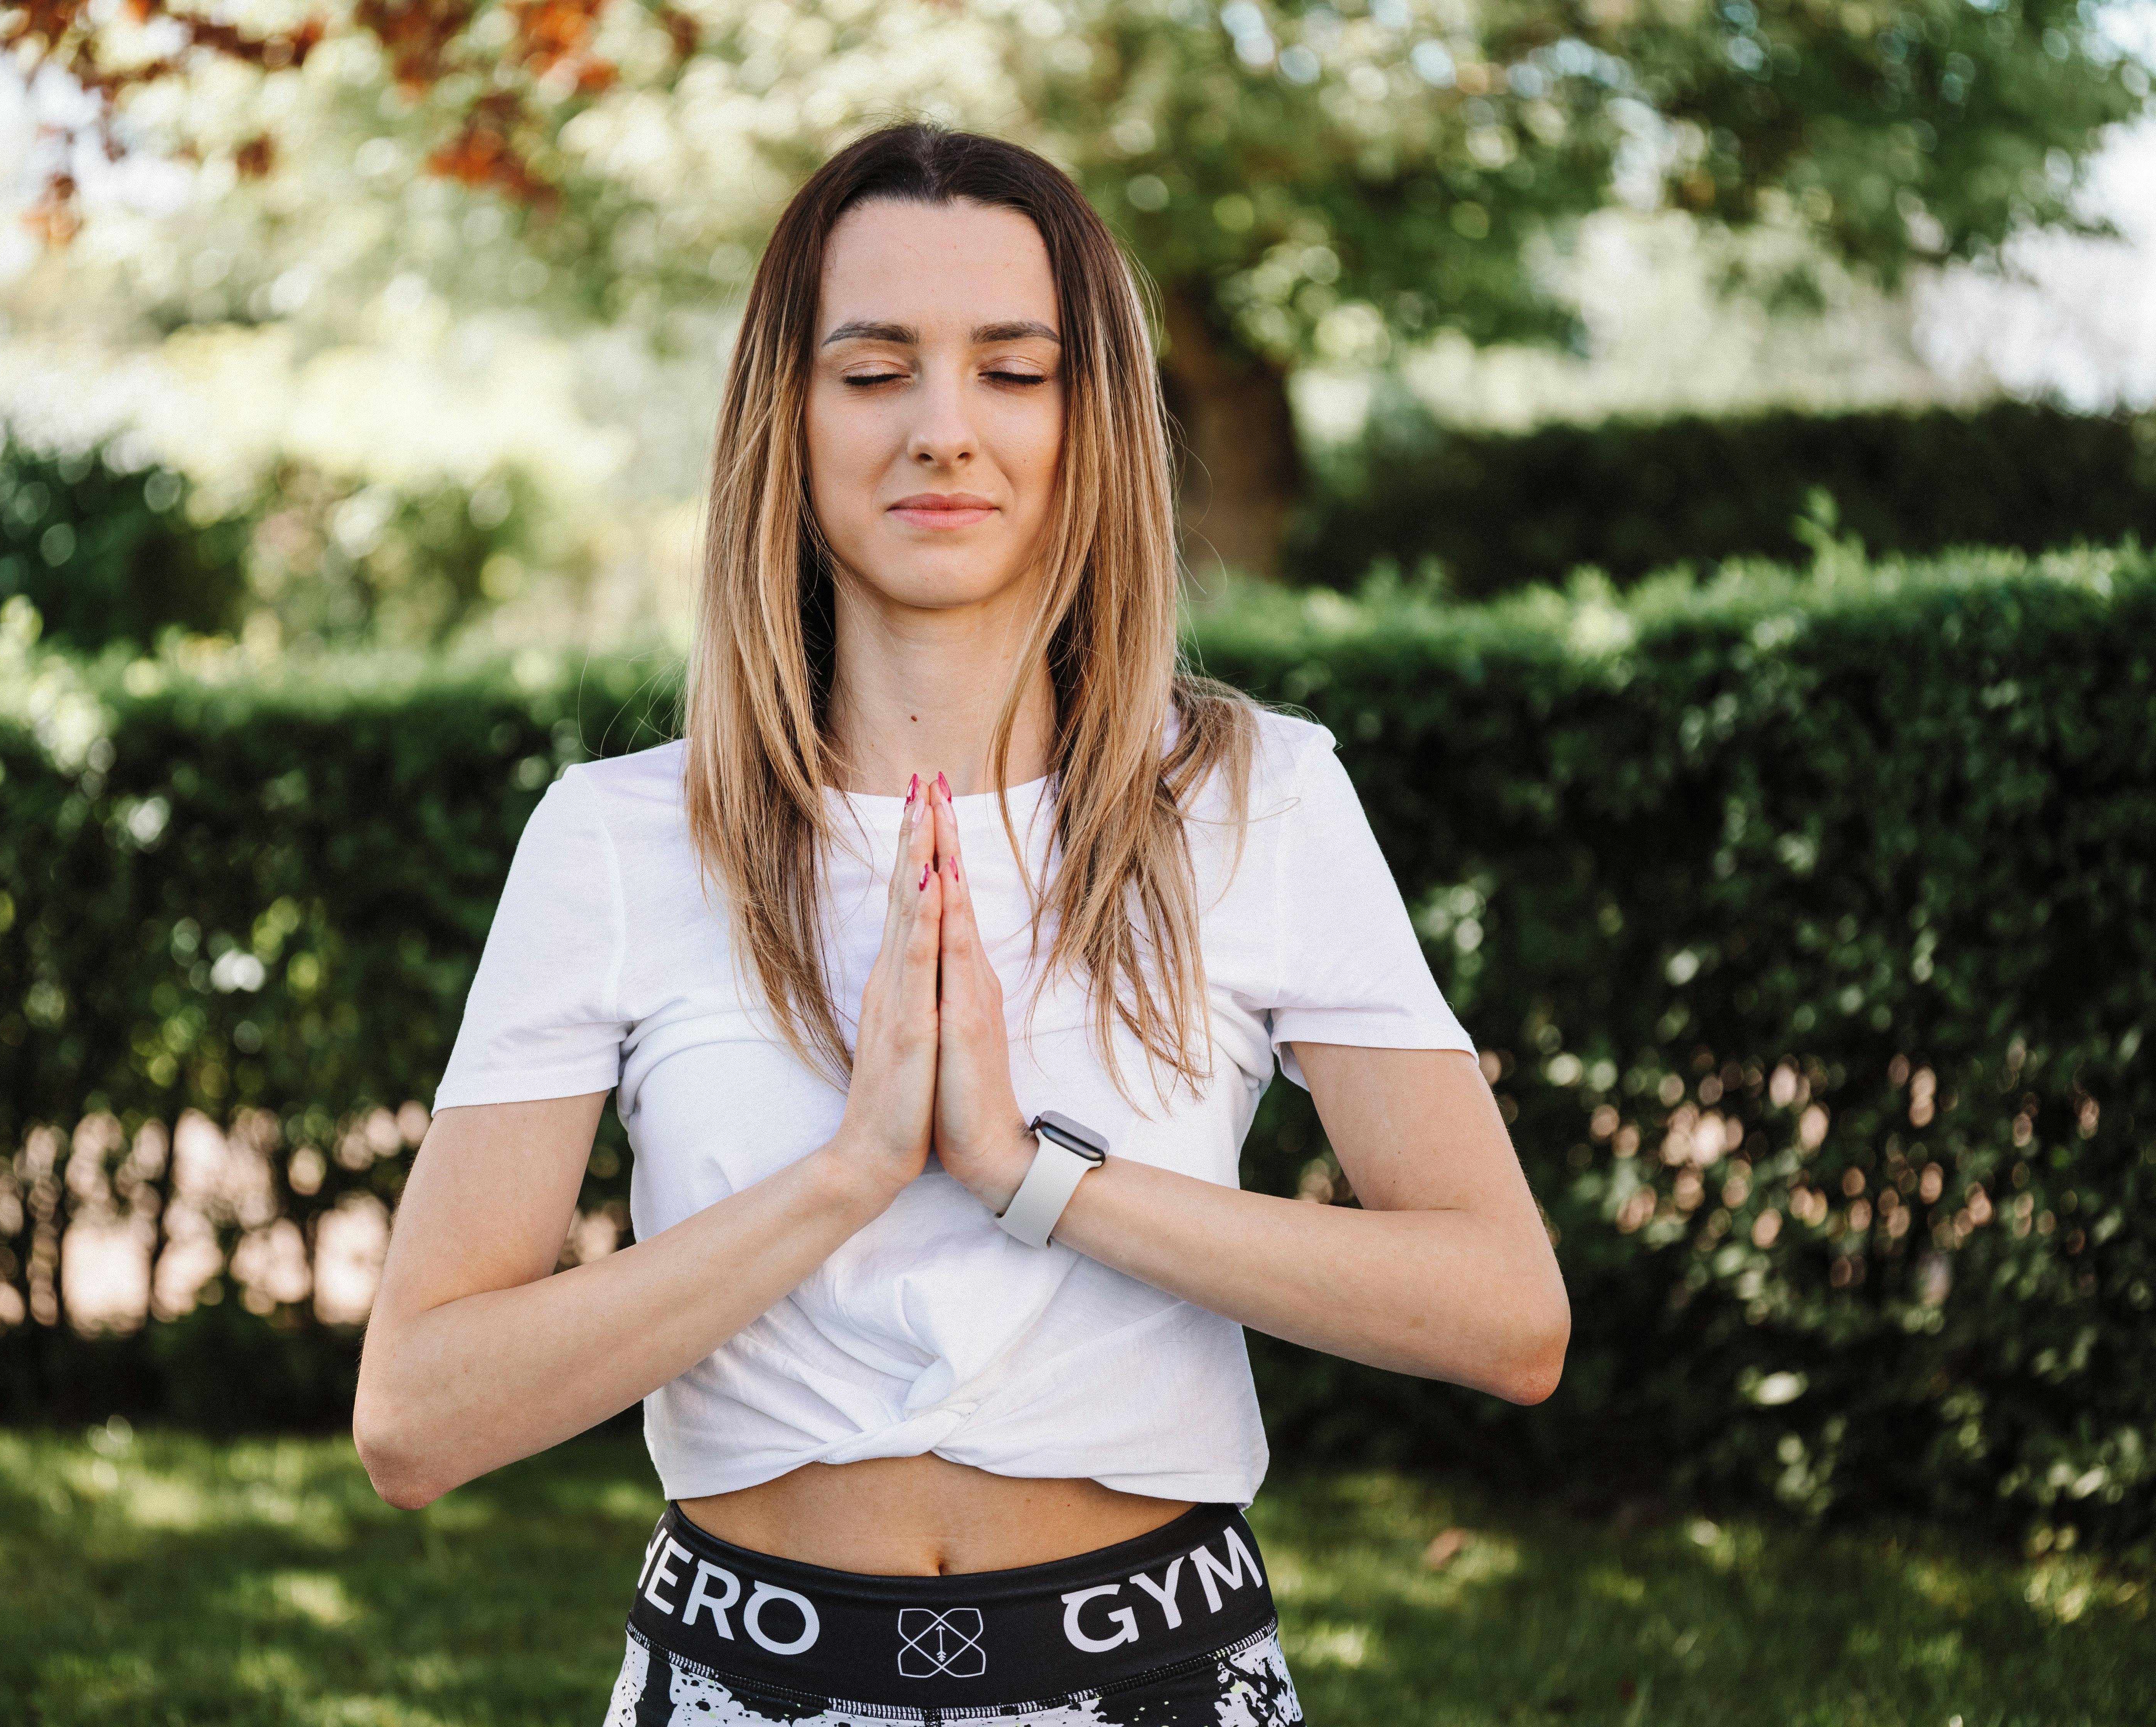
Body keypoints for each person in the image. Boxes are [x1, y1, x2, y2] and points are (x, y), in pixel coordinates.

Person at [353, 123, 1568, 1726]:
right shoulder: (620, 839)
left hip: (1158, 1675)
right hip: (740, 1681)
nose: (944, 431)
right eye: (873, 372)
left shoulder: (1256, 796)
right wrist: (850, 1174)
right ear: (785, 422)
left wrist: (1028, 1174)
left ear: (1094, 421)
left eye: (1015, 370)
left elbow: (1508, 1313)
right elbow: (417, 1419)